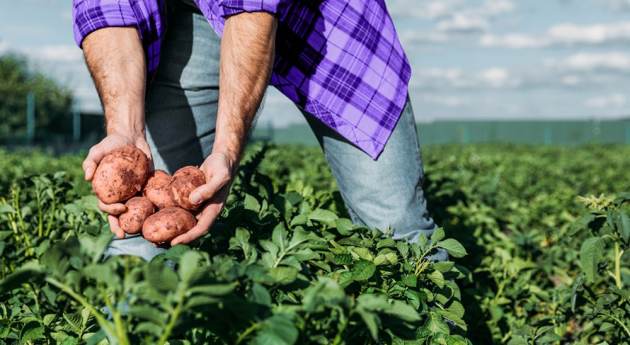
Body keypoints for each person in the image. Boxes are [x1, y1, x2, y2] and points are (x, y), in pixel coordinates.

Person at [73, 0, 447, 262]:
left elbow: (251, 11)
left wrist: (227, 150)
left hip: (326, 19)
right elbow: (106, 9)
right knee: (145, 229)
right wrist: (126, 129)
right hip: (197, 12)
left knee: (396, 229)